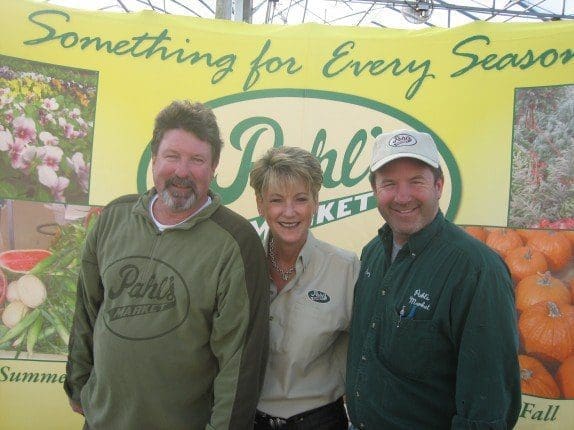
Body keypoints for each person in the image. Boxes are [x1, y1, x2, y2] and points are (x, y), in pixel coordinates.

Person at [63, 100, 269, 430]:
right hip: (100, 420)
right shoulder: (114, 218)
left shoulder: (236, 242)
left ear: (214, 166)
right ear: (154, 158)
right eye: (172, 156)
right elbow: (87, 308)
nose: (182, 172)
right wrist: (77, 383)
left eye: (197, 160)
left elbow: (240, 361)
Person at [346, 129, 521, 429]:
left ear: (438, 186)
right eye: (389, 183)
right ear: (375, 190)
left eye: (416, 181)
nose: (402, 197)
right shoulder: (372, 253)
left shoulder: (477, 270)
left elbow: (489, 404)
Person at [249, 146, 360, 430]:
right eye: (276, 200)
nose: (289, 212)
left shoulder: (345, 268)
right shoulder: (241, 266)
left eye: (301, 199)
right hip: (250, 420)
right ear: (260, 205)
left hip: (320, 421)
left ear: (316, 203)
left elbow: (366, 356)